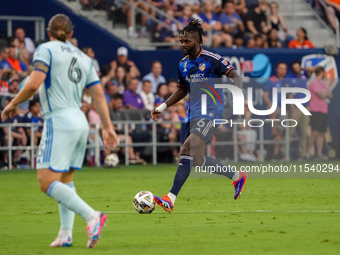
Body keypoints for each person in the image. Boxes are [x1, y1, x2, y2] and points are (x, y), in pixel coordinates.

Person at [1, 14, 118, 248]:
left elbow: (34, 83)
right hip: (80, 121)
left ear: (48, 32)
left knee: (46, 181)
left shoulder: (46, 49)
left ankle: (92, 216)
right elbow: (98, 97)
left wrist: (12, 104)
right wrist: (108, 127)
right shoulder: (84, 58)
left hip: (60, 120)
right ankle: (66, 234)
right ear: (71, 34)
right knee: (65, 179)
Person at [150, 20, 247, 212]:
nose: (183, 44)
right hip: (193, 114)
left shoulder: (211, 59)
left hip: (211, 113)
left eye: (187, 41)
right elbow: (181, 91)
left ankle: (170, 198)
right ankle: (237, 176)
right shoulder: (183, 64)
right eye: (181, 41)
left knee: (186, 148)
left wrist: (237, 100)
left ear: (197, 41)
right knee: (198, 160)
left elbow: (237, 77)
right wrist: (162, 107)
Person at [306, 67, 332, 160]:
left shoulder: (323, 83)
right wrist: (325, 94)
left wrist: (325, 93)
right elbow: (321, 95)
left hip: (324, 110)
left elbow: (330, 95)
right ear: (321, 72)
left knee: (321, 133)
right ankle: (308, 152)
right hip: (315, 110)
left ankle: (319, 153)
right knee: (315, 132)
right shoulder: (314, 82)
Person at [285, 60, 310, 159]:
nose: (297, 69)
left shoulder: (304, 76)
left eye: (298, 67)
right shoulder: (289, 78)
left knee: (304, 133)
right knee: (290, 132)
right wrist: (292, 110)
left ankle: (302, 154)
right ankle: (284, 154)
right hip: (295, 107)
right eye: (294, 67)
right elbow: (290, 95)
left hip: (305, 107)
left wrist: (302, 69)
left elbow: (314, 69)